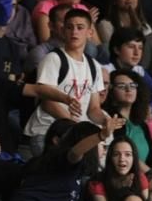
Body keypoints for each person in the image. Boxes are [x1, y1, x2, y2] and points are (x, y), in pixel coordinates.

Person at [23, 9, 108, 157]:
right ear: (63, 31)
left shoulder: (94, 66)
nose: (74, 31)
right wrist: (77, 128)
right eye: (69, 27)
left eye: (80, 27)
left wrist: (106, 120)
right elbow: (47, 103)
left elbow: (93, 109)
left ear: (90, 32)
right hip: (46, 132)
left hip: (73, 134)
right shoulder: (53, 59)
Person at [86, 137, 151, 201]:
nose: (122, 159)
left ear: (134, 158)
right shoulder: (97, 182)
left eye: (127, 154)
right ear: (110, 158)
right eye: (116, 154)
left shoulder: (140, 177)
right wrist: (124, 190)